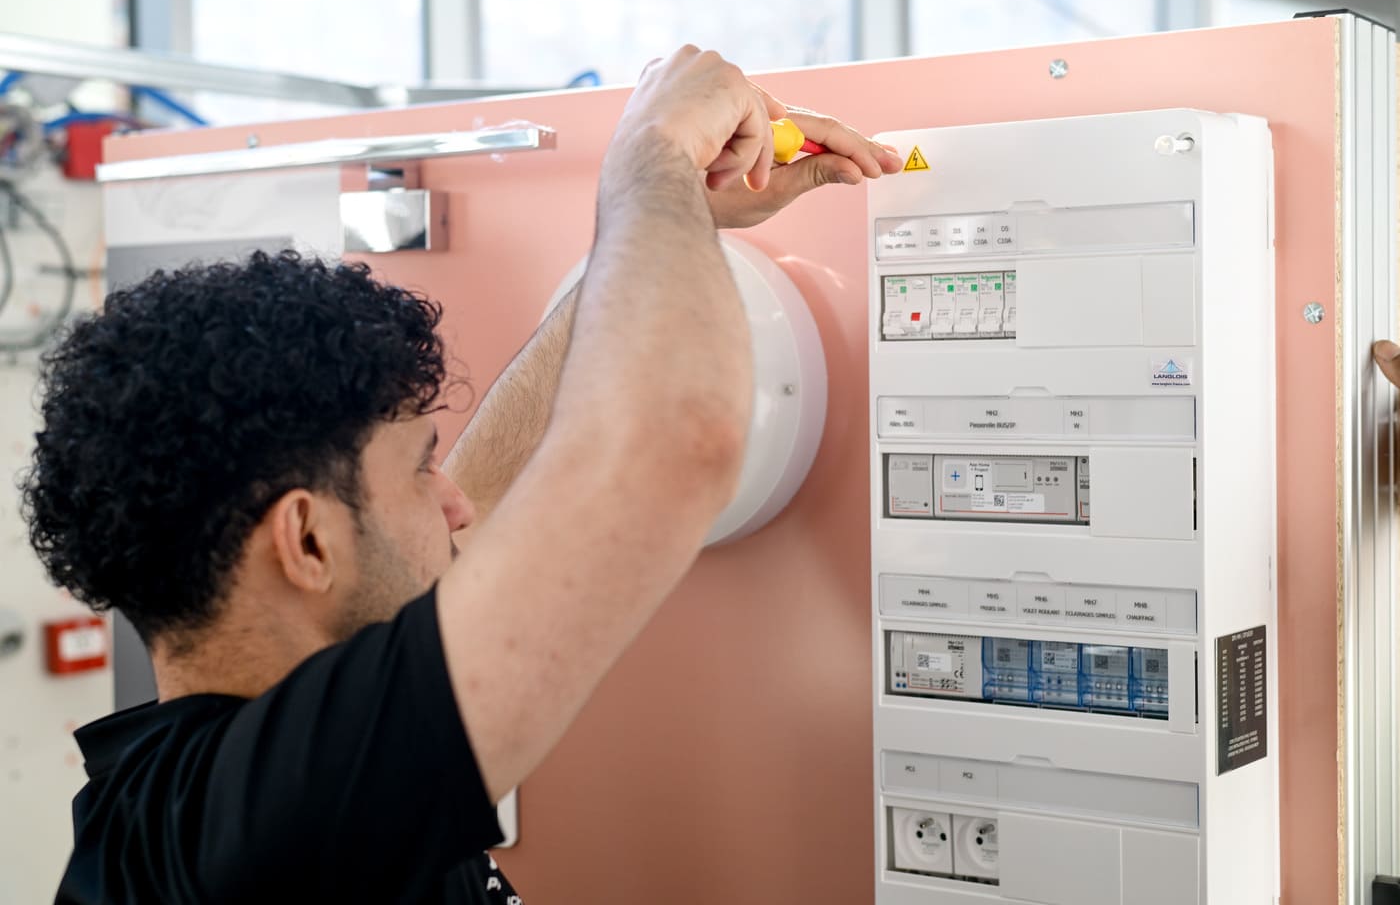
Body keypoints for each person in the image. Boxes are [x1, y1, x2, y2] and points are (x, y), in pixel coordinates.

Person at [21, 45, 903, 904]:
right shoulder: (265, 828)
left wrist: (670, 226)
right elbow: (676, 436)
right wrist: (651, 159)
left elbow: (472, 510)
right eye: (420, 470)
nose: (456, 502)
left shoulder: (199, 794)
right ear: (306, 539)